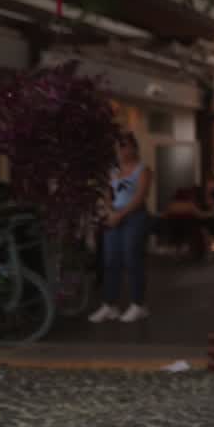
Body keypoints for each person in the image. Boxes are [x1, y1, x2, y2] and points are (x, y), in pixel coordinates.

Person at [89, 135, 153, 323]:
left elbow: (140, 196)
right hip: (114, 216)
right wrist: (110, 211)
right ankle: (110, 305)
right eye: (118, 148)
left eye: (124, 147)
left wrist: (121, 214)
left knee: (132, 259)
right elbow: (107, 193)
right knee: (110, 260)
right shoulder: (113, 170)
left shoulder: (143, 170)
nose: (121, 152)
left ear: (134, 148)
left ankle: (138, 304)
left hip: (135, 216)